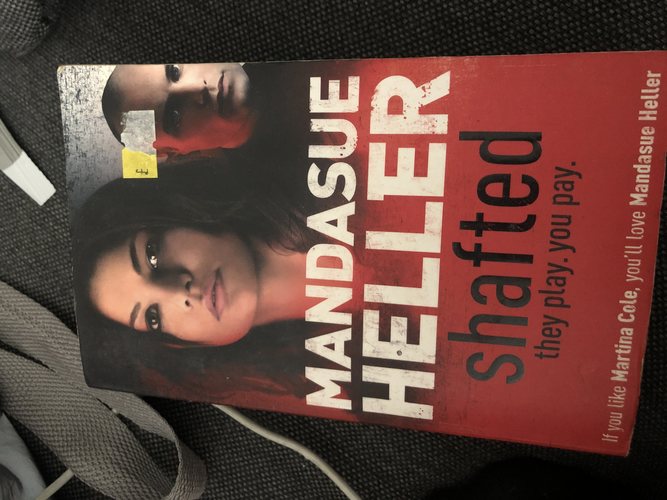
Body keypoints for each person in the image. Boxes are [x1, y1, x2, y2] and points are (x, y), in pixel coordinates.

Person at [72, 160, 352, 401]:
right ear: (177, 345)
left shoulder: (336, 178)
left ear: (176, 210)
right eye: (153, 317)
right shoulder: (330, 384)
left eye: (152, 255)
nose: (179, 293)